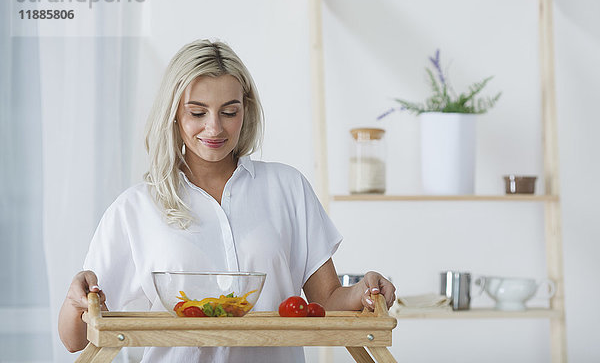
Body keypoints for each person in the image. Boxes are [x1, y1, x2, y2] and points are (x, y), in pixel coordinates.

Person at [58, 39, 396, 362]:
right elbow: (75, 340)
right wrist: (76, 301)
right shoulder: (135, 207)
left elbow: (327, 302)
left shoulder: (287, 187)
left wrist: (363, 292)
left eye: (229, 112)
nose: (214, 128)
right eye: (197, 112)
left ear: (245, 111)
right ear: (174, 113)